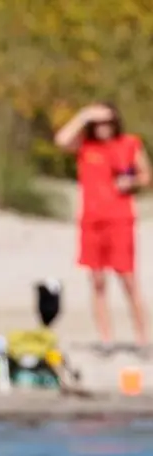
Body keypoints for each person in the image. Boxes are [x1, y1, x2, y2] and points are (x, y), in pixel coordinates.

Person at [53, 102, 151, 354]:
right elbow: (61, 140)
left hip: (119, 220)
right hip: (91, 221)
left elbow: (146, 176)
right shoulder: (86, 146)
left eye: (107, 122)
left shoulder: (130, 144)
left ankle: (143, 338)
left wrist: (130, 182)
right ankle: (106, 339)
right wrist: (84, 114)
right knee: (97, 281)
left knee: (128, 280)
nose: (102, 128)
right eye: (97, 124)